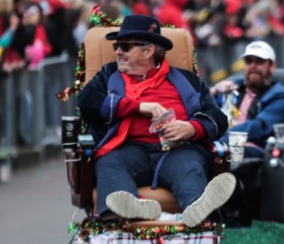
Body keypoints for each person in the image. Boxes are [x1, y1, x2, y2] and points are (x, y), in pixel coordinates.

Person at [77, 14, 236, 226]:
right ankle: (134, 207)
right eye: (116, 46)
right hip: (126, 148)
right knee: (110, 163)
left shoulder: (187, 79)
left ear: (149, 50)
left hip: (178, 150)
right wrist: (137, 106)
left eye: (125, 46)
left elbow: (217, 117)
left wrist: (192, 128)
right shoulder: (108, 75)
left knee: (189, 168)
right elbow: (87, 103)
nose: (117, 52)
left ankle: (199, 208)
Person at [210, 40, 284, 159]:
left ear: (272, 66)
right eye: (248, 61)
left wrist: (219, 139)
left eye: (259, 61)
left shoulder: (282, 95)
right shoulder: (234, 87)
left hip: (255, 148)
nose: (253, 65)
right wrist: (213, 91)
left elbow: (259, 127)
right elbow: (203, 109)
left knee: (216, 153)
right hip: (222, 142)